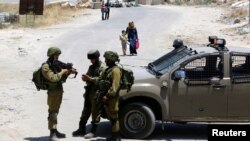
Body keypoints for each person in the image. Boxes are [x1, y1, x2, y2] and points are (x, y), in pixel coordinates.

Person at [72, 50, 106, 138]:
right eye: (90, 59)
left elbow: (101, 80)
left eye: (93, 59)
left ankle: (93, 132)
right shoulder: (91, 67)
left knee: (95, 112)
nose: (91, 61)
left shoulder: (102, 67)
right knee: (86, 110)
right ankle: (81, 129)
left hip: (97, 93)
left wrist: (90, 79)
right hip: (89, 91)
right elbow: (88, 75)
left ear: (97, 58)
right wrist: (84, 78)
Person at [41, 47, 70, 141]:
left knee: (55, 111)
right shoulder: (46, 66)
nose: (58, 56)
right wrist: (62, 72)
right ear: (51, 55)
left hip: (59, 91)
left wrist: (67, 72)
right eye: (56, 55)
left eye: (58, 55)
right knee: (53, 112)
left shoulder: (55, 64)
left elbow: (61, 79)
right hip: (53, 92)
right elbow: (53, 78)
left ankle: (55, 130)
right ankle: (52, 133)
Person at [101, 51, 122, 141]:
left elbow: (115, 86)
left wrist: (108, 96)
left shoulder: (115, 70)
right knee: (111, 116)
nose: (105, 61)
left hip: (112, 98)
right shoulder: (109, 69)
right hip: (109, 97)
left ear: (111, 60)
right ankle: (114, 135)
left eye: (106, 59)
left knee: (114, 117)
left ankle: (116, 137)